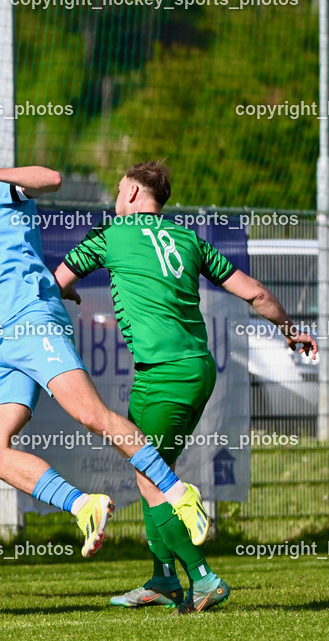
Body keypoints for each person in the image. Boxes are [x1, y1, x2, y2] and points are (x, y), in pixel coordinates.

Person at [0, 122, 211, 562]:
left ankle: (178, 493)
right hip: (6, 343)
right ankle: (84, 506)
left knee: (92, 416)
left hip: (36, 322)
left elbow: (52, 179)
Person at [54, 161, 317, 613]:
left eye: (119, 191)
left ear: (134, 194)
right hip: (196, 366)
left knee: (150, 476)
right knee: (153, 472)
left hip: (165, 373)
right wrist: (291, 329)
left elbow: (56, 282)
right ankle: (162, 579)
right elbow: (253, 292)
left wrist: (67, 292)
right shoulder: (188, 238)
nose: (115, 199)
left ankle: (201, 578)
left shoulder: (111, 235)